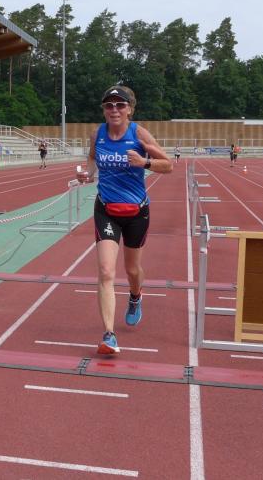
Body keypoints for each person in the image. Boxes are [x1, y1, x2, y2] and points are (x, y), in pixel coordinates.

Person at [76, 85, 172, 355]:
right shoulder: (98, 134)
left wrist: (144, 162)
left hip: (136, 212)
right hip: (106, 210)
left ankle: (135, 295)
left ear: (129, 109)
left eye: (120, 105)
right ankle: (109, 335)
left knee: (132, 270)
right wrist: (88, 174)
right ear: (103, 110)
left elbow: (168, 165)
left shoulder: (138, 134)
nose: (114, 110)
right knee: (106, 271)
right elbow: (92, 157)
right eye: (109, 105)